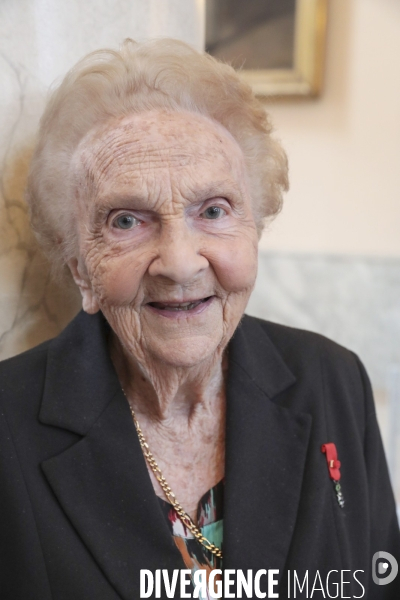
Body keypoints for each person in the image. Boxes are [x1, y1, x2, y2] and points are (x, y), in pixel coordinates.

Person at [0, 38, 399, 600]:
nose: (181, 262)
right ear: (81, 271)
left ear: (255, 231)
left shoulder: (333, 381)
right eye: (125, 221)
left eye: (213, 210)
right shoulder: (8, 425)